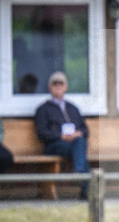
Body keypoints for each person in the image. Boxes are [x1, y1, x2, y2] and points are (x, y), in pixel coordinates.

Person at [34, 71, 90, 199]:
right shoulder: (43, 109)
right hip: (54, 145)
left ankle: (80, 175)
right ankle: (84, 184)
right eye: (55, 84)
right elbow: (41, 132)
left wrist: (78, 133)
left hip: (74, 144)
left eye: (61, 84)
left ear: (66, 87)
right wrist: (60, 136)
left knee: (80, 143)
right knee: (80, 151)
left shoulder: (73, 108)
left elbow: (85, 130)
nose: (58, 86)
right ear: (50, 87)